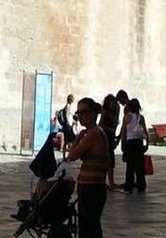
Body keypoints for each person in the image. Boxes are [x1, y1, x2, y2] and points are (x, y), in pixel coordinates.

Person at [65, 96, 109, 238]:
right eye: (78, 113)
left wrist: (77, 138)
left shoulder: (94, 133)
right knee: (92, 227)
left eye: (83, 112)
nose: (80, 116)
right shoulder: (96, 132)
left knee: (88, 229)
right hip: (93, 187)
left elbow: (71, 156)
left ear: (93, 114)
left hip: (91, 188)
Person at [119, 96, 149, 193]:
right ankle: (141, 185)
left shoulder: (127, 117)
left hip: (130, 142)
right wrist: (147, 143)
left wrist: (122, 143)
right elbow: (145, 130)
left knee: (130, 166)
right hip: (139, 143)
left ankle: (129, 185)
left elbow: (124, 131)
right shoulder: (141, 117)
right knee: (140, 166)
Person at [99, 93, 121, 189]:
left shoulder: (115, 111)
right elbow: (101, 124)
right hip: (105, 135)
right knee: (105, 158)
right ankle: (103, 181)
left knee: (111, 159)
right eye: (111, 103)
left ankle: (111, 182)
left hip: (111, 136)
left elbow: (115, 123)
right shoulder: (105, 112)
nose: (113, 105)